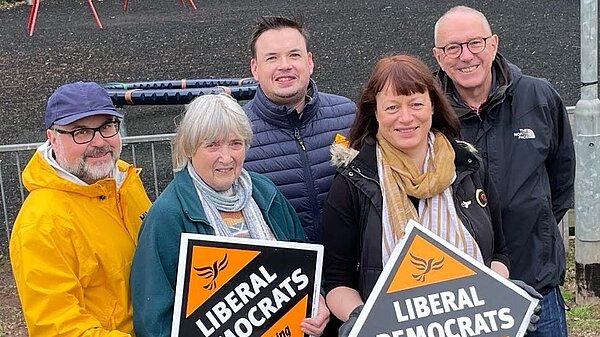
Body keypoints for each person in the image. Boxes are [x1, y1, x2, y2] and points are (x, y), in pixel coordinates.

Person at [321, 54, 512, 332]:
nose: (406, 117)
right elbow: (337, 281)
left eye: (416, 104)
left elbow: (499, 253)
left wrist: (501, 294)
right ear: (375, 112)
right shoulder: (353, 182)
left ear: (433, 106)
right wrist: (365, 319)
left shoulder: (468, 167)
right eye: (392, 107)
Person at [130, 94, 330, 337]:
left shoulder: (265, 192)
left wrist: (316, 301)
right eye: (212, 145)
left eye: (235, 143)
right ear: (189, 148)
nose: (226, 158)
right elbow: (153, 322)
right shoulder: (167, 216)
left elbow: (305, 267)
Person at [432, 6, 575, 336]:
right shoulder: (429, 115)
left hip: (536, 281)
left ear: (494, 44)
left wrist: (535, 227)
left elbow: (561, 177)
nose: (465, 56)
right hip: (462, 297)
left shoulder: (538, 97)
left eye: (475, 43)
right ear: (439, 56)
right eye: (453, 47)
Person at [9, 81, 152, 337]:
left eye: (106, 126)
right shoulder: (41, 224)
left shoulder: (125, 180)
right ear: (52, 138)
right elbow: (59, 329)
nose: (99, 142)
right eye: (80, 132)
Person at [243, 15, 356, 243]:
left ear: (310, 61)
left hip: (348, 272)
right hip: (282, 273)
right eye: (272, 58)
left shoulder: (348, 115)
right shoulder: (236, 133)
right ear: (255, 68)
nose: (285, 65)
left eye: (294, 55)